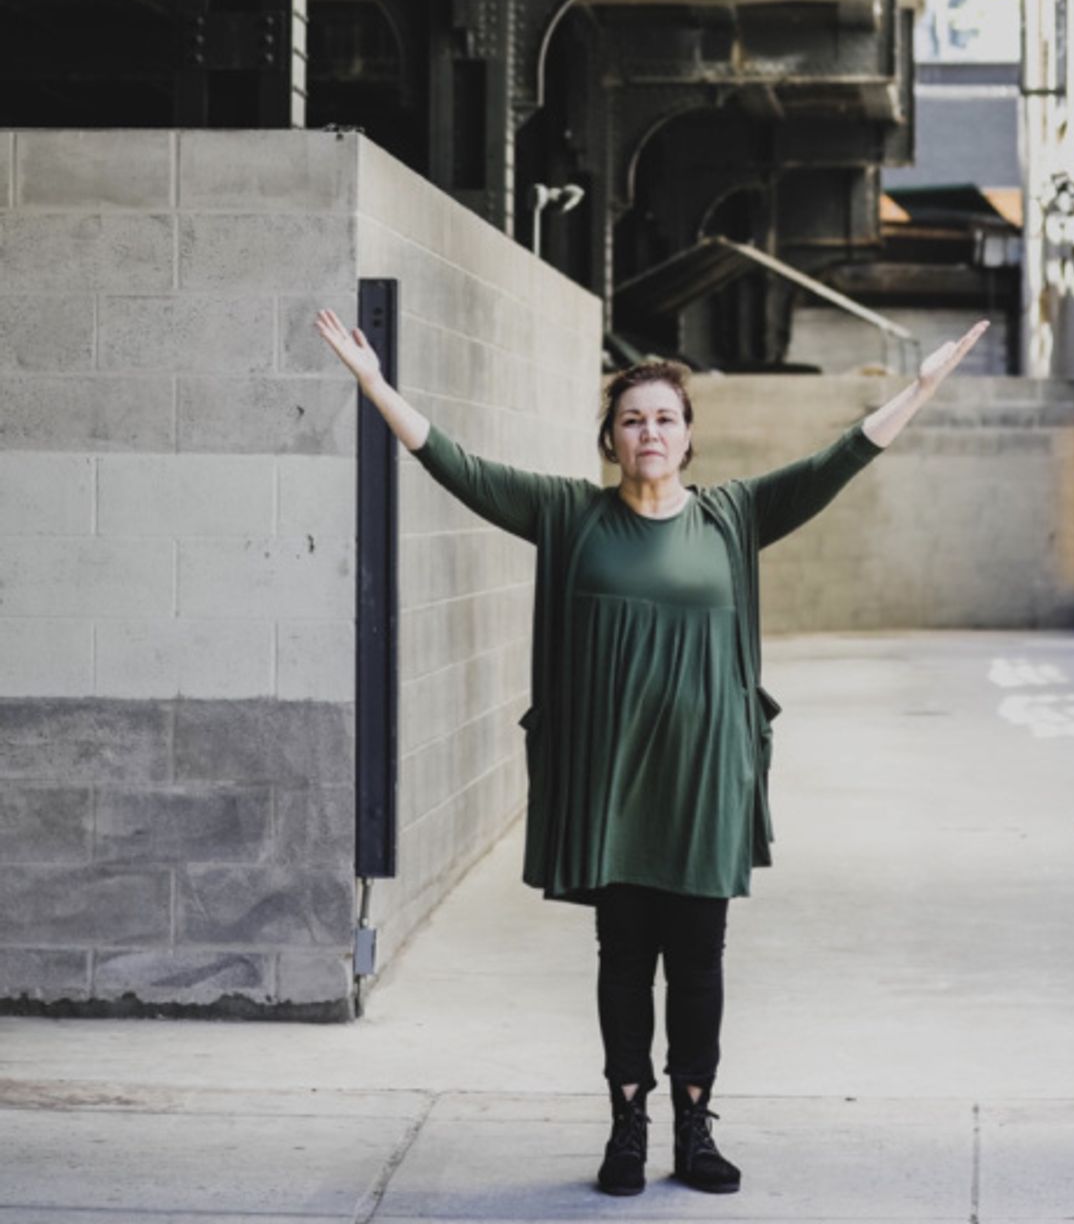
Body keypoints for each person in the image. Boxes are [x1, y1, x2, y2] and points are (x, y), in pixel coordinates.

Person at [315, 307, 989, 1197]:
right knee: (624, 956)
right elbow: (462, 469)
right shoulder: (568, 514)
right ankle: (627, 1125)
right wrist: (375, 387)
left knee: (700, 959)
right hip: (613, 782)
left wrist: (921, 387)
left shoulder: (734, 516)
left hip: (705, 778)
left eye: (666, 417)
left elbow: (839, 460)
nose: (650, 431)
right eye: (633, 418)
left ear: (688, 436)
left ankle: (694, 1125)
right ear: (611, 437)